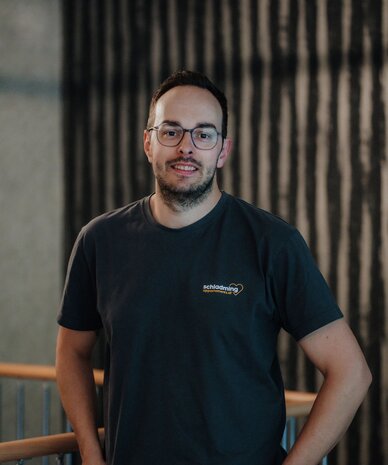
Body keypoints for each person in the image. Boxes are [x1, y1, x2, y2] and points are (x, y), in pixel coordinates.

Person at [55, 70, 371, 465]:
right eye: (171, 131)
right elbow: (71, 353)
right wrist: (90, 452)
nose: (187, 147)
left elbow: (351, 373)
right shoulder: (99, 240)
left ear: (223, 150)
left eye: (204, 134)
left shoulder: (272, 243)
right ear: (148, 143)